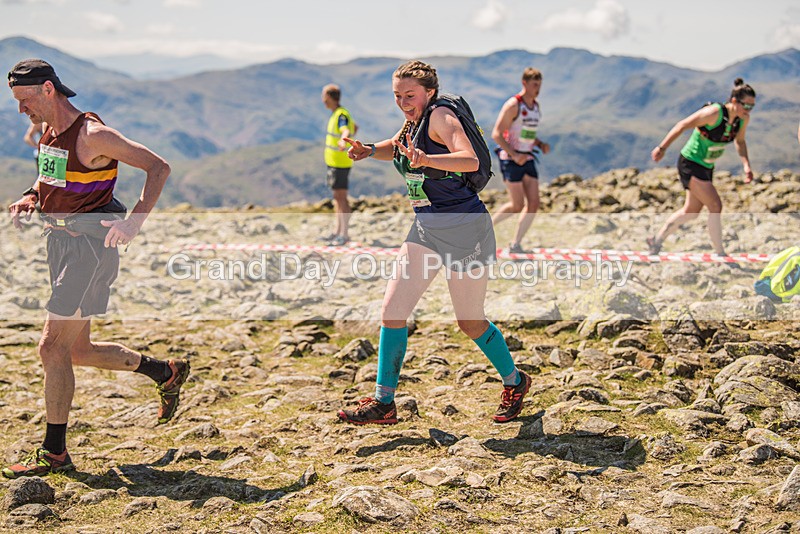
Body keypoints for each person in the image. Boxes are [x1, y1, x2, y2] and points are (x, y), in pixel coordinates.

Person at [3, 59, 190, 479]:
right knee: (78, 351)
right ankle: (165, 371)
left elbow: (158, 167)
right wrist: (31, 196)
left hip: (88, 250)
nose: (21, 110)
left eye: (25, 100)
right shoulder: (51, 131)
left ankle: (54, 453)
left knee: (51, 348)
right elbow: (52, 177)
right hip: (61, 246)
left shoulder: (93, 135)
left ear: (48, 89)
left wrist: (135, 220)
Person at [337, 60, 532, 425]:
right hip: (427, 227)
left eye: (410, 95)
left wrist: (428, 158)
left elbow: (469, 158)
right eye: (397, 95)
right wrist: (367, 149)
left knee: (470, 323)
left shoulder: (441, 116)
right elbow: (395, 147)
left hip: (465, 230)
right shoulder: (414, 120)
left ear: (429, 92)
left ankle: (515, 381)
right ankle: (384, 402)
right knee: (392, 313)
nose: (403, 102)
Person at [648, 78, 756, 256]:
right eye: (746, 106)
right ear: (734, 101)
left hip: (707, 166)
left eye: (752, 107)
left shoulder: (742, 120)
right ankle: (720, 253)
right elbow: (682, 125)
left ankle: (656, 240)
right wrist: (662, 148)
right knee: (715, 205)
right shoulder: (713, 113)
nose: (748, 110)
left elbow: (740, 141)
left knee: (691, 212)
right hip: (690, 163)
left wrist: (746, 165)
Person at [491, 68, 550, 254]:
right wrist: (515, 154)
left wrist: (539, 144)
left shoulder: (535, 106)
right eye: (534, 85)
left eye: (539, 85)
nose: (537, 89)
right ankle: (486, 229)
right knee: (517, 205)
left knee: (533, 203)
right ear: (524, 83)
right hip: (511, 159)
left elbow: (527, 133)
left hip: (529, 157)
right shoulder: (513, 105)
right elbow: (497, 134)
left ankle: (516, 243)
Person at [321, 83, 357, 246]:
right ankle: (337, 231)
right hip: (334, 162)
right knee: (337, 197)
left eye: (325, 97)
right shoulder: (339, 113)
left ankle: (344, 234)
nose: (323, 100)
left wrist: (344, 140)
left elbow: (346, 130)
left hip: (340, 162)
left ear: (331, 97)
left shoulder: (341, 115)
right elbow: (354, 127)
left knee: (341, 198)